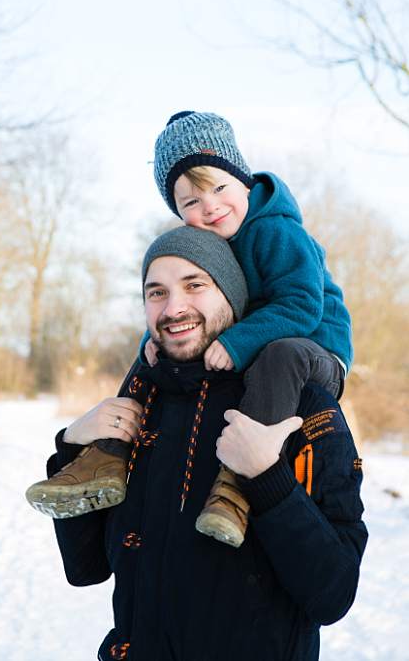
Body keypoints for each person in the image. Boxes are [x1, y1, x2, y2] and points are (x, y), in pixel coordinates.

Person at [30, 227, 366, 661]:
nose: (174, 308)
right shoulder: (140, 402)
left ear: (231, 294)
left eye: (195, 285)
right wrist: (73, 447)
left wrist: (267, 478)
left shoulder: (300, 406)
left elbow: (332, 593)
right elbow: (86, 566)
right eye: (156, 292)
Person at [27, 111, 352, 548]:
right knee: (152, 354)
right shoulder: (218, 238)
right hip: (269, 341)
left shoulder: (276, 231)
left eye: (219, 188)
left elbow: (302, 305)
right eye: (191, 202)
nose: (211, 207)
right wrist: (153, 340)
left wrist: (237, 342)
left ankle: (236, 485)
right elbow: (192, 304)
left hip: (314, 350)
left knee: (281, 354)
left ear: (244, 180)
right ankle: (105, 455)